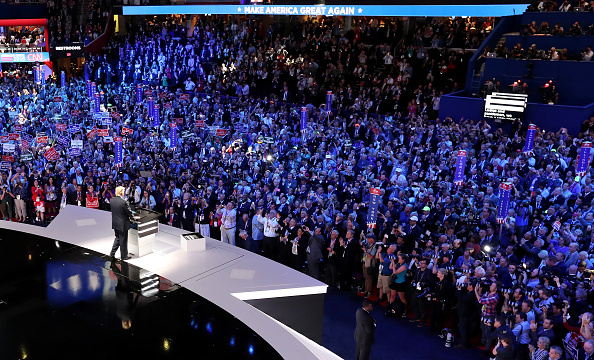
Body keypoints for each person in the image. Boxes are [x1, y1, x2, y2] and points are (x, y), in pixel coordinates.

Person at [110, 186, 133, 261]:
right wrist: (134, 218)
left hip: (115, 223)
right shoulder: (124, 202)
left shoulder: (112, 200)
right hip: (122, 224)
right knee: (123, 240)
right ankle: (124, 256)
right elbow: (129, 213)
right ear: (121, 192)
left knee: (118, 238)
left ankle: (112, 253)